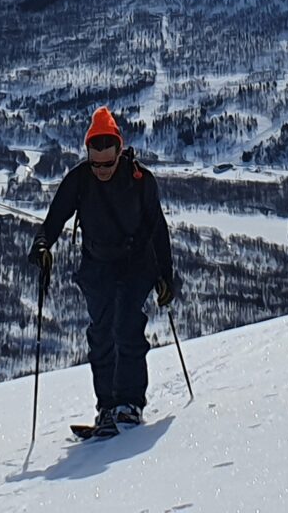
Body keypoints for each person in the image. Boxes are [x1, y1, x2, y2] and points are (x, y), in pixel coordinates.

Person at [28, 107, 176, 438]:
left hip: (136, 263)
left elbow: (157, 229)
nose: (102, 170)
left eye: (108, 163)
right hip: (97, 266)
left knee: (125, 326)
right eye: (96, 163)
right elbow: (54, 220)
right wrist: (41, 247)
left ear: (120, 152)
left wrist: (166, 276)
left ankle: (129, 403)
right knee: (100, 334)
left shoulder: (141, 181)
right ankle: (107, 406)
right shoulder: (80, 180)